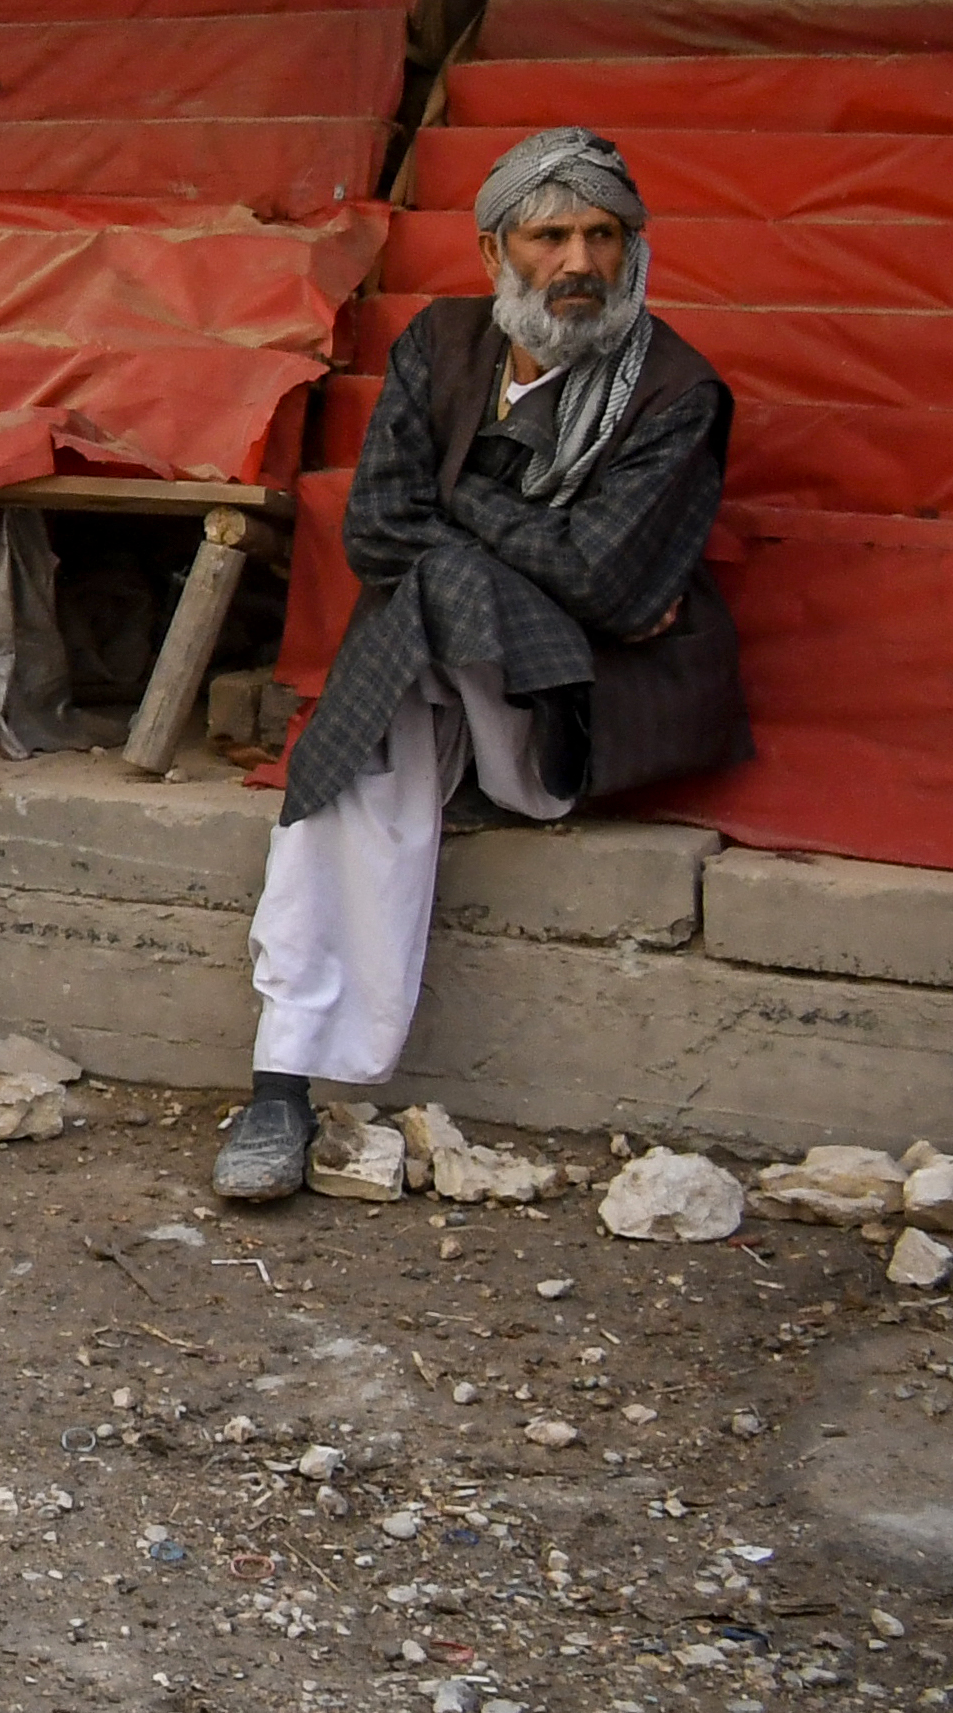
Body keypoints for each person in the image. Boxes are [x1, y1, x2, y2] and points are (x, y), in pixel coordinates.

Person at [217, 126, 736, 1203]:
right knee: (364, 741)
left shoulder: (676, 391)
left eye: (602, 233)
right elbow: (368, 531)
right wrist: (516, 533)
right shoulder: (439, 343)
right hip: (433, 677)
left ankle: (280, 1084)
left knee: (423, 602)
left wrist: (452, 498)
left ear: (631, 247)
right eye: (550, 235)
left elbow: (610, 586)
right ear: (495, 248)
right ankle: (279, 1084)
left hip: (565, 714)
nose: (579, 262)